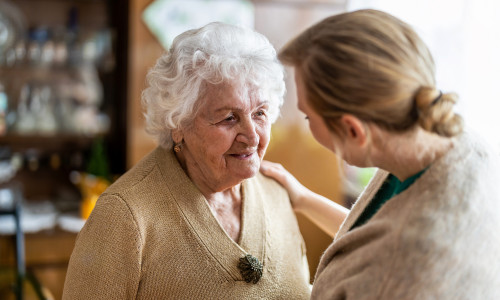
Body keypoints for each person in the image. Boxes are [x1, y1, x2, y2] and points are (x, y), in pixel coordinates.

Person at [261, 9, 500, 299]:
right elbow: (372, 239)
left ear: (353, 130)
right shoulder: (451, 141)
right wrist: (303, 199)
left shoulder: (404, 270)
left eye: (308, 117)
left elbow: (389, 256)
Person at [62, 22, 311, 299]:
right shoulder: (124, 217)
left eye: (260, 113)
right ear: (178, 123)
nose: (252, 137)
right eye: (229, 117)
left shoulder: (276, 193)